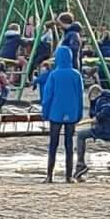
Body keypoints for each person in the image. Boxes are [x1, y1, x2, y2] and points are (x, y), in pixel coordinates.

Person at [39, 46, 85, 183]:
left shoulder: (53, 75)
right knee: (69, 145)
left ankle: (49, 175)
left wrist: (45, 113)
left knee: (53, 144)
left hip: (55, 113)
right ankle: (68, 176)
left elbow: (47, 96)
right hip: (71, 113)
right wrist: (79, 114)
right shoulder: (76, 75)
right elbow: (80, 96)